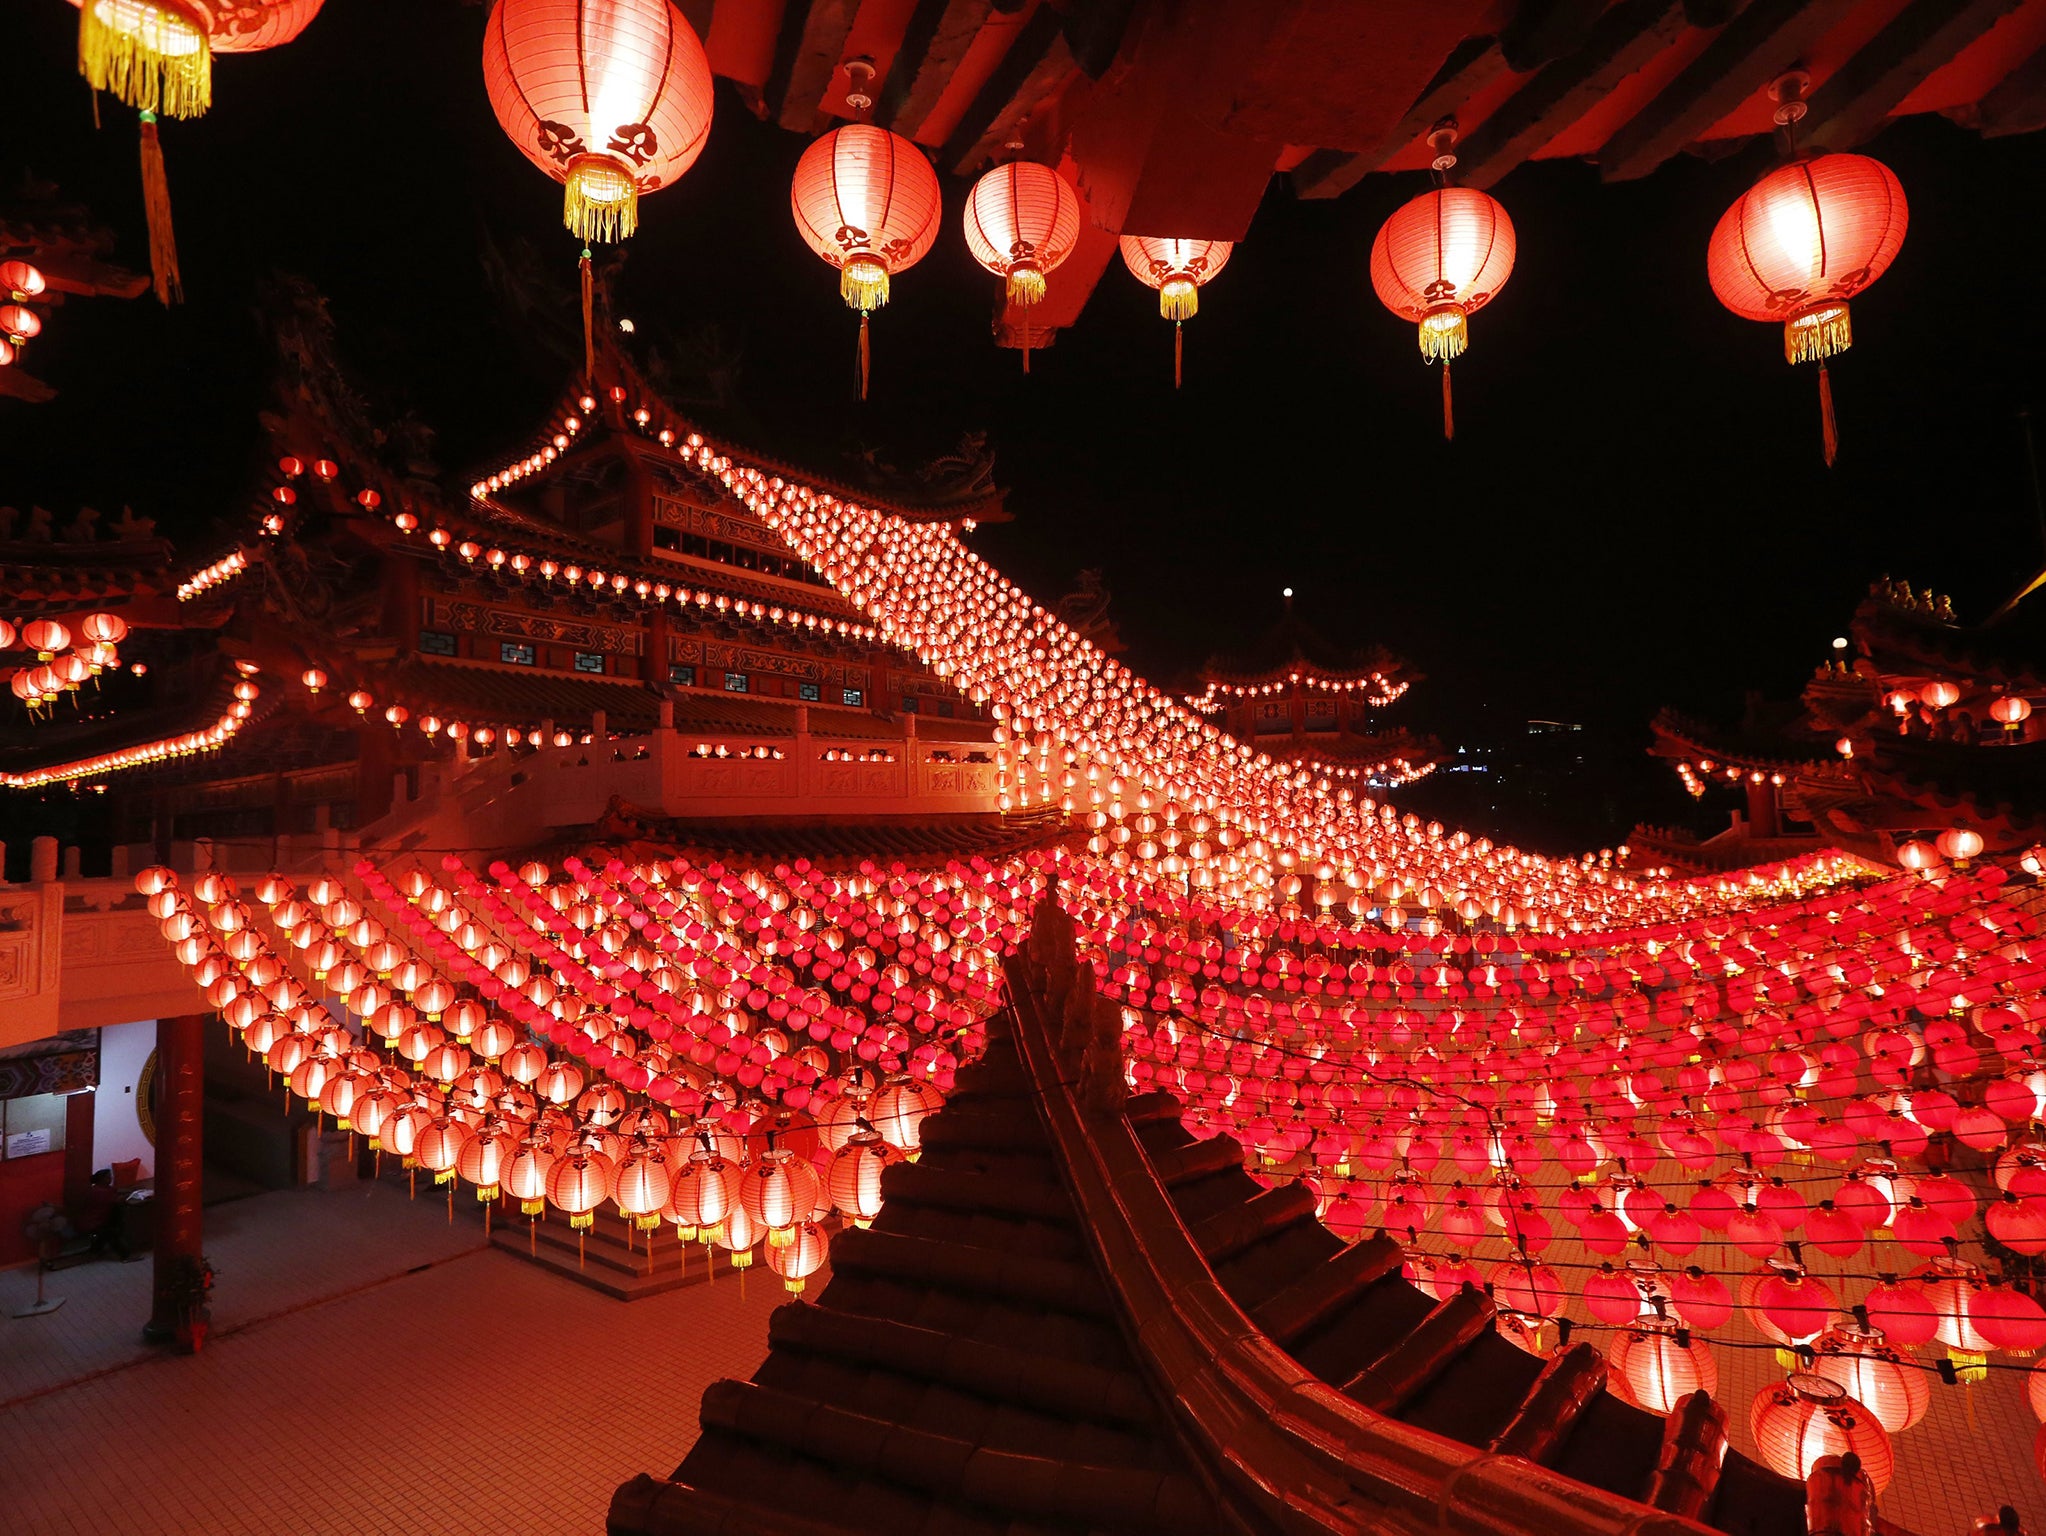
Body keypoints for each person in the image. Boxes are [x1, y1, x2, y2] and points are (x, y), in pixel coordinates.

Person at [76, 1168, 131, 1260]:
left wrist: (130, 1189)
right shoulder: (100, 1192)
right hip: (93, 1222)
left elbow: (116, 1190)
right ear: (102, 1179)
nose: (111, 1179)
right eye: (108, 1177)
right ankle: (125, 1256)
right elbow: (117, 1200)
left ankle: (95, 1251)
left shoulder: (101, 1188)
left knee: (107, 1231)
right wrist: (131, 1194)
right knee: (111, 1232)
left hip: (98, 1220)